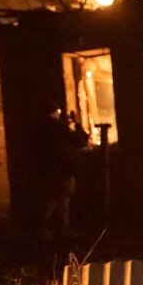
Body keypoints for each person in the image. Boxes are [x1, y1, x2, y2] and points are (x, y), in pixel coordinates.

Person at [34, 102, 89, 242]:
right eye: (57, 111)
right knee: (62, 199)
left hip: (46, 170)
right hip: (62, 170)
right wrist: (77, 124)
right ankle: (60, 231)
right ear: (53, 112)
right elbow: (81, 140)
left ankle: (46, 230)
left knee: (51, 200)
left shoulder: (39, 128)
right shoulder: (58, 126)